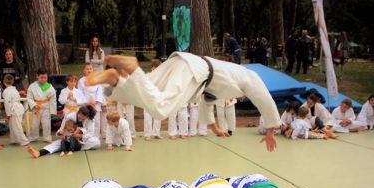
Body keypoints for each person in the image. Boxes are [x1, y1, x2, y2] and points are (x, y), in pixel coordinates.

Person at [85, 52, 281, 151]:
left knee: (145, 88)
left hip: (180, 61)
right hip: (195, 71)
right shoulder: (250, 75)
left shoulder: (229, 77)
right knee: (161, 109)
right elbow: (263, 97)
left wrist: (215, 129)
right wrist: (271, 130)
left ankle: (115, 79)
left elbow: (207, 102)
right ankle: (133, 67)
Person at [26, 106, 100, 158]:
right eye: (80, 118)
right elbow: (60, 131)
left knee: (96, 142)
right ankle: (39, 153)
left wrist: (81, 136)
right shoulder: (68, 117)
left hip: (82, 140)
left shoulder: (90, 120)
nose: (81, 120)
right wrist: (61, 134)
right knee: (58, 143)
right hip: (69, 138)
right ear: (78, 112)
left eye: (83, 119)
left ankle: (73, 147)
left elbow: (90, 133)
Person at [27, 67, 56, 143]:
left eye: (45, 77)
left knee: (46, 124)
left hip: (46, 107)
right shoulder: (32, 86)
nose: (43, 79)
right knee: (34, 124)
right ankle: (33, 137)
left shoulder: (50, 87)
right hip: (36, 107)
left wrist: (53, 111)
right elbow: (29, 98)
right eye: (41, 77)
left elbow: (53, 99)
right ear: (37, 76)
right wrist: (34, 104)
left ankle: (47, 138)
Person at [2, 75, 29, 146]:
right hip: (18, 107)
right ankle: (14, 139)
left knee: (16, 126)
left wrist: (8, 114)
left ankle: (24, 141)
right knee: (13, 125)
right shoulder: (15, 90)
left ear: (4, 82)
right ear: (13, 81)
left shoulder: (6, 92)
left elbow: (8, 103)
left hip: (14, 109)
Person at [79, 63, 105, 138]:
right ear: (84, 70)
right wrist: (87, 102)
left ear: (93, 70)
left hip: (96, 104)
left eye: (90, 69)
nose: (89, 70)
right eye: (87, 69)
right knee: (87, 122)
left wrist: (96, 101)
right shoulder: (81, 81)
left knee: (97, 122)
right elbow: (80, 93)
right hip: (86, 104)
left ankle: (96, 138)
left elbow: (100, 92)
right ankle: (87, 137)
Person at [143, 59, 163, 141]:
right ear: (152, 68)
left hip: (157, 98)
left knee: (158, 116)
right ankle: (148, 134)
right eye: (156, 68)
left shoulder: (161, 77)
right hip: (148, 99)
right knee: (148, 117)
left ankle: (156, 133)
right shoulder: (146, 76)